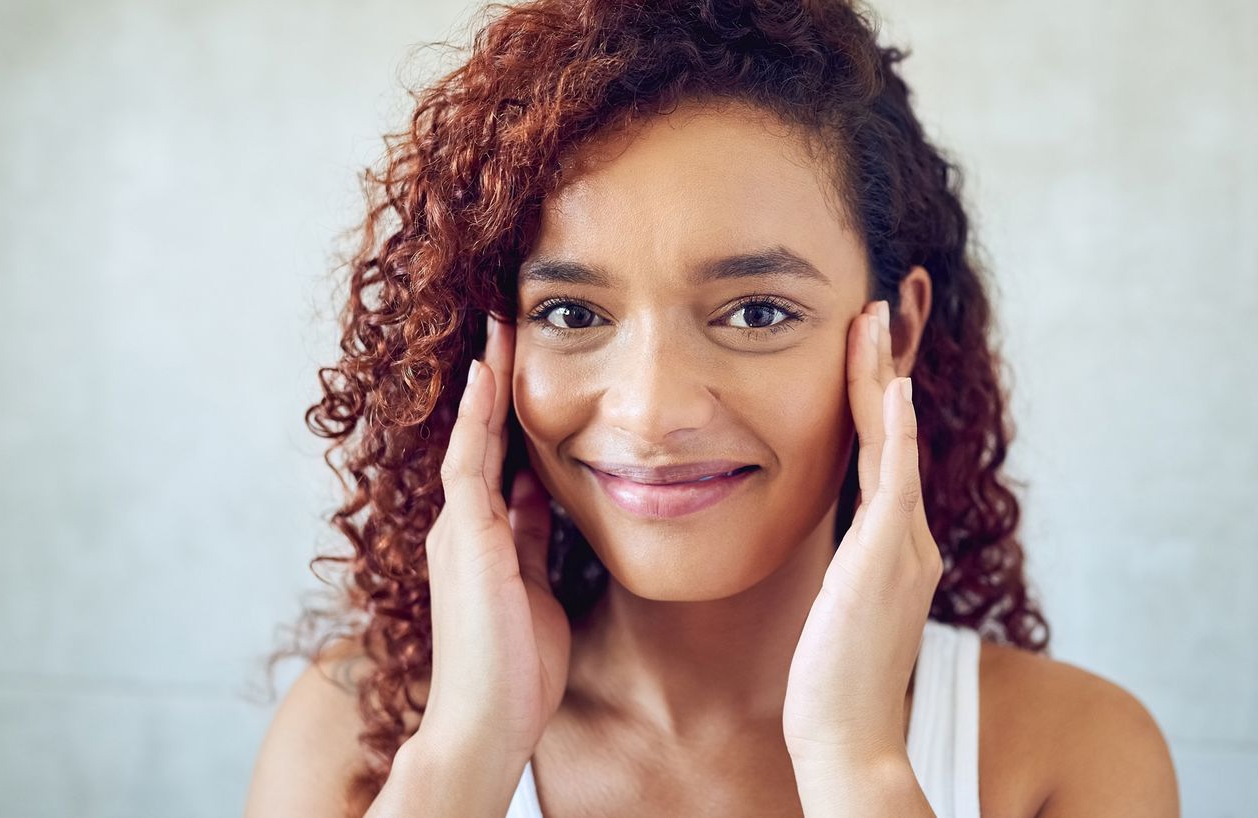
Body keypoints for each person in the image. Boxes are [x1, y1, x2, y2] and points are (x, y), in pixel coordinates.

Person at [245, 1, 1180, 816]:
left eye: (757, 312)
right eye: (571, 313)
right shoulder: (354, 735)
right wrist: (467, 756)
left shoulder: (1070, 756)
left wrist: (855, 766)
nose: (652, 412)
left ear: (894, 332)